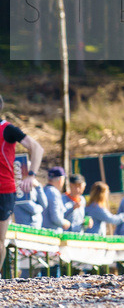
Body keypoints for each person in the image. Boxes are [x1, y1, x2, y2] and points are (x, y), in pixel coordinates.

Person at [1, 103, 44, 274]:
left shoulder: (7, 129)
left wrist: (31, 174)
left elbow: (37, 148)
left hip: (4, 190)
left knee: (0, 239)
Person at [41, 167, 72, 232]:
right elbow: (55, 217)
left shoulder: (43, 190)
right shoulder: (54, 192)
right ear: (60, 179)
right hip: (52, 233)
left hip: (43, 231)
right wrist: (64, 222)